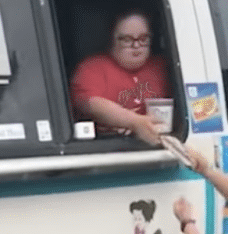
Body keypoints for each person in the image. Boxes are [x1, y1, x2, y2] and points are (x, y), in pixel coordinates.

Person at [70, 10, 170, 145]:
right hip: (111, 151)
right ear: (111, 40)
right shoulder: (91, 68)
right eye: (127, 40)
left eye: (143, 39)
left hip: (161, 148)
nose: (136, 46)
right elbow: (88, 103)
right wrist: (134, 122)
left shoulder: (164, 66)